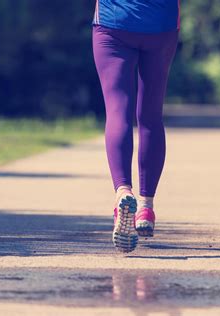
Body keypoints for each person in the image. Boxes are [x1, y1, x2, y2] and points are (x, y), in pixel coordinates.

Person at [92, 1, 180, 253]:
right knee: (151, 116)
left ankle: (123, 192)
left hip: (113, 22)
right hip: (161, 25)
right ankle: (145, 208)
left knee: (118, 110)